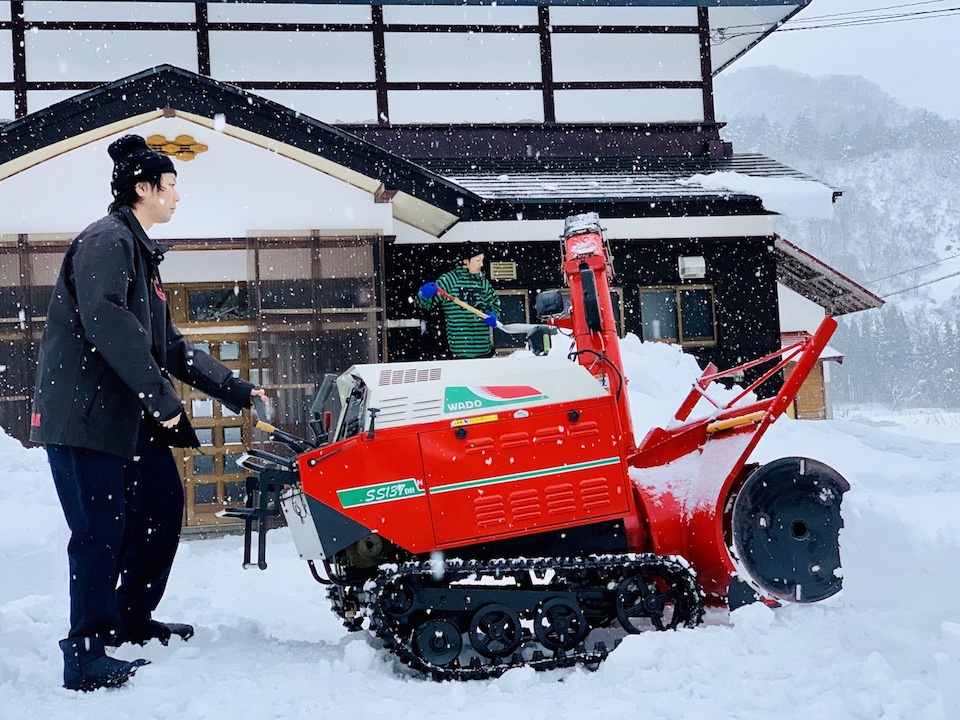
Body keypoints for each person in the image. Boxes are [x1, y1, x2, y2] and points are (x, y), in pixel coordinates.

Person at [29, 134, 266, 691]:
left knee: (161, 504)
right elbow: (109, 323)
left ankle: (129, 619)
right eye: (171, 187)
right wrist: (161, 403)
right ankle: (85, 651)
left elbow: (170, 347)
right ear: (144, 189)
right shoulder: (105, 242)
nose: (177, 198)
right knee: (99, 531)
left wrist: (233, 389)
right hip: (85, 417)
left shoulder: (140, 254)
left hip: (124, 416)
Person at [417, 242, 502, 359]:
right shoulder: (449, 281)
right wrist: (423, 295)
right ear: (466, 261)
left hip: (485, 351)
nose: (481, 264)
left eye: (482, 260)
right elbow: (426, 305)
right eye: (477, 260)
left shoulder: (483, 283)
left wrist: (494, 314)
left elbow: (494, 304)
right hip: (459, 352)